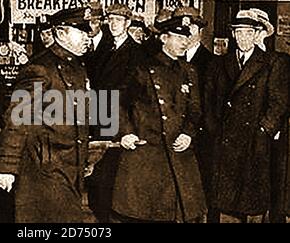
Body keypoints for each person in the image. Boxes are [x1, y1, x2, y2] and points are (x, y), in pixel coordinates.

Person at [0, 7, 92, 223]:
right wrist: (6, 166)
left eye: (87, 32)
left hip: (68, 166)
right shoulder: (40, 68)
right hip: (44, 168)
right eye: (81, 31)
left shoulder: (77, 66)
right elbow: (18, 116)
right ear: (61, 32)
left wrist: (85, 156)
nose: (88, 37)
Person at [111, 11, 207, 223]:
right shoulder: (143, 69)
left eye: (186, 38)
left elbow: (196, 111)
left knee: (179, 214)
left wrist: (188, 134)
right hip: (147, 155)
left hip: (179, 155)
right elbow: (115, 103)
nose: (185, 42)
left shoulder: (189, 71)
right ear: (164, 38)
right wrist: (125, 133)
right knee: (144, 215)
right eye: (179, 37)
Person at [207, 9, 289, 223]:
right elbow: (210, 101)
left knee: (252, 204)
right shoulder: (219, 64)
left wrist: (263, 131)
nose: (243, 37)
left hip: (255, 143)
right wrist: (216, 130)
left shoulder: (272, 63)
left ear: (256, 34)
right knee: (227, 205)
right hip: (225, 142)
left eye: (248, 32)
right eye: (239, 32)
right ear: (234, 35)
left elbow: (279, 103)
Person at [85, 3, 146, 223]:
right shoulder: (104, 47)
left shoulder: (136, 52)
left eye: (118, 20)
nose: (113, 24)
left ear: (128, 24)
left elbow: (132, 90)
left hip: (118, 121)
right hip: (98, 117)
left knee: (110, 180)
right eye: (110, 20)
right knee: (96, 178)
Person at [173, 6, 218, 221]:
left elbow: (210, 106)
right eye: (180, 29)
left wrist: (194, 133)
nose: (185, 33)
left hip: (200, 140)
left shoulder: (212, 63)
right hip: (172, 138)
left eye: (190, 28)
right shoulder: (166, 61)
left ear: (200, 31)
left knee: (198, 199)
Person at [249, 8, 290, 223]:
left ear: (265, 32)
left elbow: (280, 100)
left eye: (257, 29)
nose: (253, 35)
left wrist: (266, 128)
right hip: (245, 135)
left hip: (270, 136)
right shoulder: (236, 59)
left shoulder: (277, 60)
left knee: (274, 184)